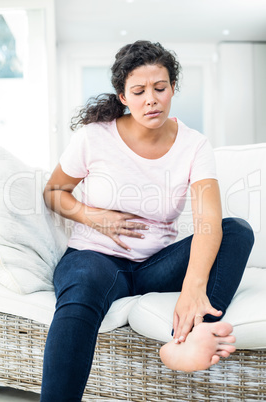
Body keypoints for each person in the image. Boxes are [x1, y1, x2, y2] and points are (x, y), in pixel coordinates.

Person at [41, 40, 254, 401]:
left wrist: (192, 288)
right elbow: (53, 192)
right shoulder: (94, 138)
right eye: (138, 91)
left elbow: (208, 219)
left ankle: (190, 338)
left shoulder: (194, 145)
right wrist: (94, 217)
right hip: (93, 258)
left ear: (173, 88)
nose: (151, 99)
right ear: (123, 96)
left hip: (154, 266)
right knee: (82, 290)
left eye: (160, 88)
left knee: (237, 231)